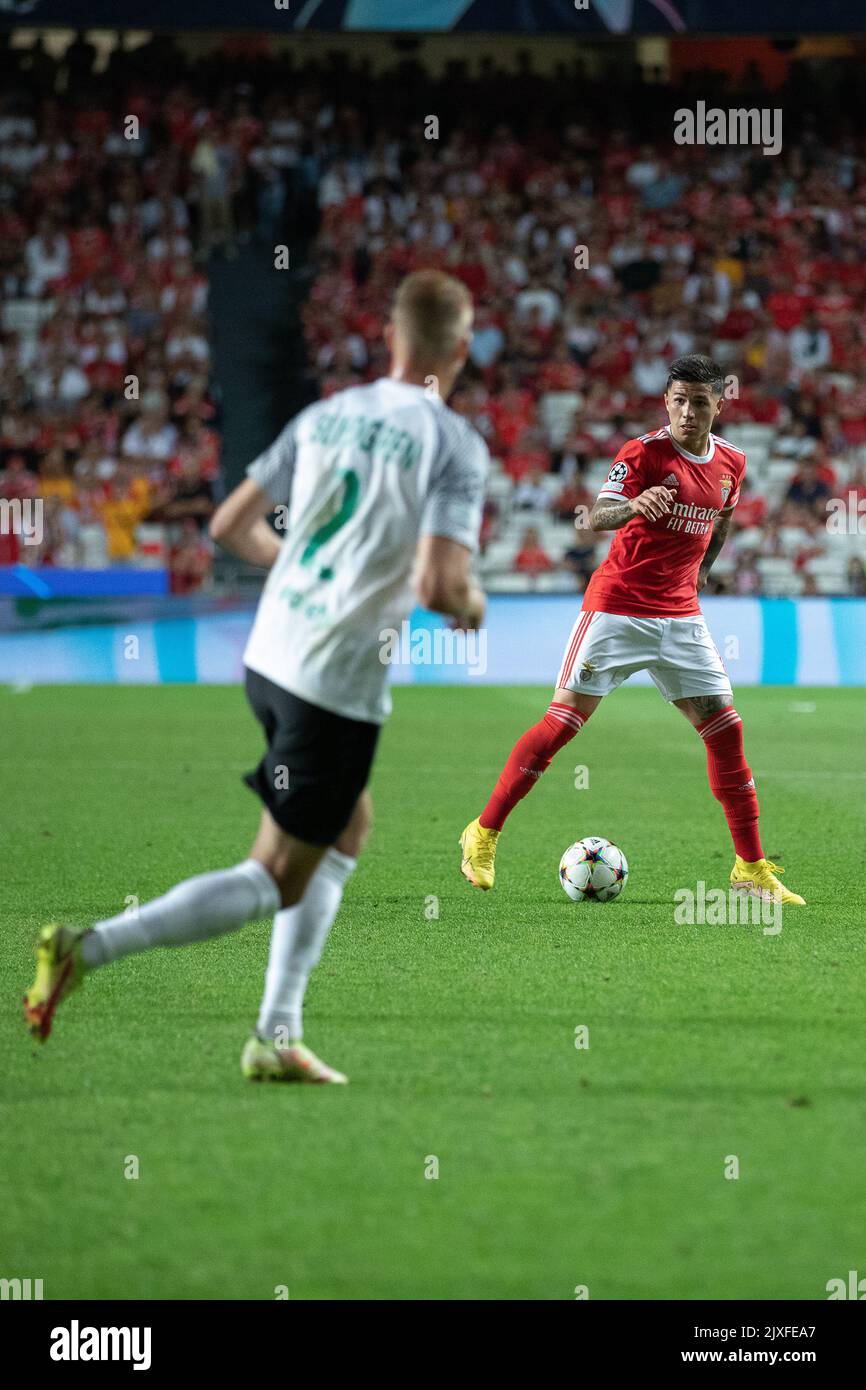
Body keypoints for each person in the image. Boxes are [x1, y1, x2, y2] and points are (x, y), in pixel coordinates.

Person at [24, 270, 489, 1082]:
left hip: (269, 653)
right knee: (276, 872)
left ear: (391, 338)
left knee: (346, 827)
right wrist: (472, 604)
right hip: (332, 681)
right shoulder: (453, 442)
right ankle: (87, 948)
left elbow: (230, 525)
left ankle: (277, 1036)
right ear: (461, 346)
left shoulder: (325, 414)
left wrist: (306, 570)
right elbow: (440, 586)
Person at [459, 354, 804, 908]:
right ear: (666, 401)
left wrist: (704, 573)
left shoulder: (732, 463)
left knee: (726, 730)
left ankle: (750, 869)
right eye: (678, 400)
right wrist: (635, 505)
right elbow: (596, 516)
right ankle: (483, 832)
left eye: (699, 401)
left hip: (682, 617)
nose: (687, 411)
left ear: (720, 403)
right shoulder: (643, 453)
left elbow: (722, 519)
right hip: (618, 608)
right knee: (561, 726)